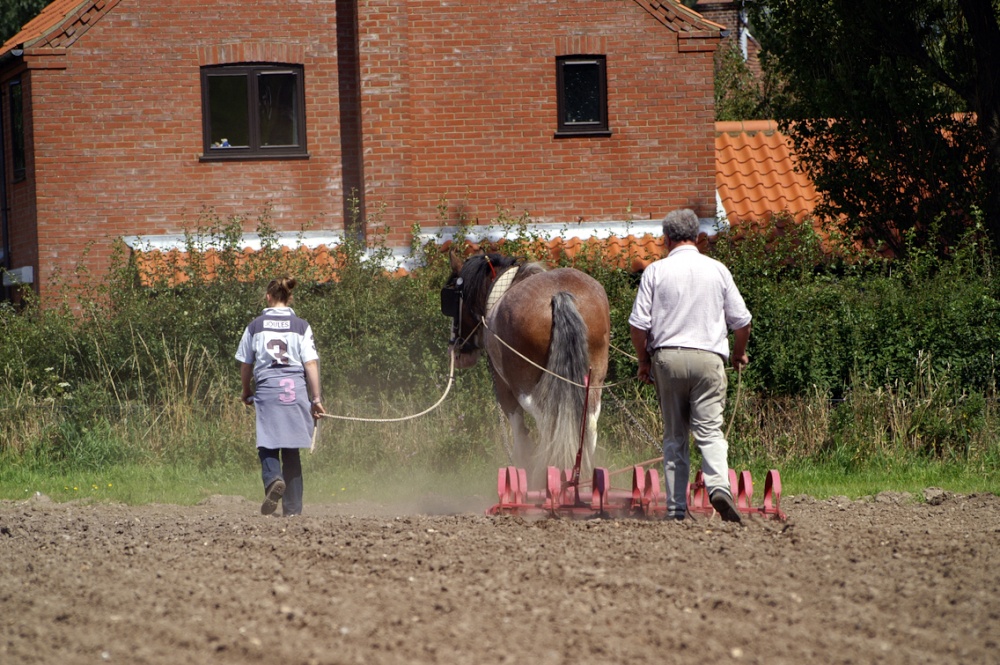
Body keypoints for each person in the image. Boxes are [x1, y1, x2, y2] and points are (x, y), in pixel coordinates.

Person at [628, 209, 752, 523]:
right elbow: (742, 322)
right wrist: (738, 354)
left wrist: (643, 362)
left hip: (668, 359)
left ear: (666, 239)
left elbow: (638, 325)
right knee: (710, 432)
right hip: (709, 360)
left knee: (675, 436)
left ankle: (675, 508)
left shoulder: (655, 271)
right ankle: (719, 487)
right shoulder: (718, 270)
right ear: (697, 237)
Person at [236, 277, 325, 516]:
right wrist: (316, 399)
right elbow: (310, 363)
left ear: (268, 297)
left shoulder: (255, 326)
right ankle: (293, 510)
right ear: (289, 297)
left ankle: (274, 479)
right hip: (294, 389)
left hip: (268, 388)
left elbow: (246, 364)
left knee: (267, 443)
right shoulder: (301, 326)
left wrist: (246, 390)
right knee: (291, 449)